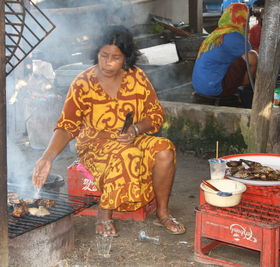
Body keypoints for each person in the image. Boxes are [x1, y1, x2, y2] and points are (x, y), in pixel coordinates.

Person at [32, 25, 185, 237]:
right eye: (104, 56)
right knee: (127, 154)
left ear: (126, 58)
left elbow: (156, 115)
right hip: (95, 145)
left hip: (131, 137)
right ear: (97, 52)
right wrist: (47, 157)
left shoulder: (137, 78)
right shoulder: (83, 83)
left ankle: (163, 213)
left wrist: (136, 129)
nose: (108, 63)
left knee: (165, 149)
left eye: (116, 58)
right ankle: (104, 215)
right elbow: (67, 126)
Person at [192, 3, 258, 98]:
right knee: (253, 56)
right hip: (213, 89)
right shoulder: (234, 36)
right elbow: (252, 56)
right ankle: (245, 85)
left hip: (200, 87)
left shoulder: (218, 33)